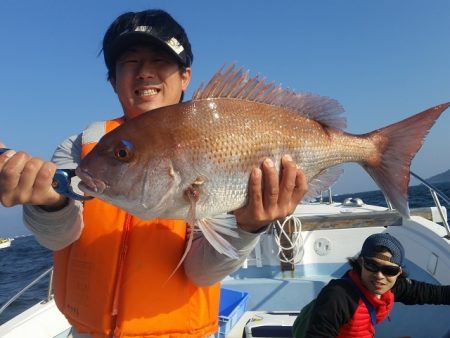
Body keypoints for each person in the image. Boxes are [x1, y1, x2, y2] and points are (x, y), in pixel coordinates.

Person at [0, 9, 307, 338]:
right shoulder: (81, 149)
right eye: (129, 62)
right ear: (113, 80)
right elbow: (58, 238)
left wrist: (249, 227)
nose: (145, 72)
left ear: (185, 75)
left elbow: (201, 274)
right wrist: (49, 205)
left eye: (160, 59)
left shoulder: (219, 132)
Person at [292, 232, 450, 338]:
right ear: (361, 263)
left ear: (399, 272)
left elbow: (433, 293)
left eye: (389, 270)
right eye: (372, 266)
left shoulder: (392, 287)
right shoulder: (339, 297)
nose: (379, 276)